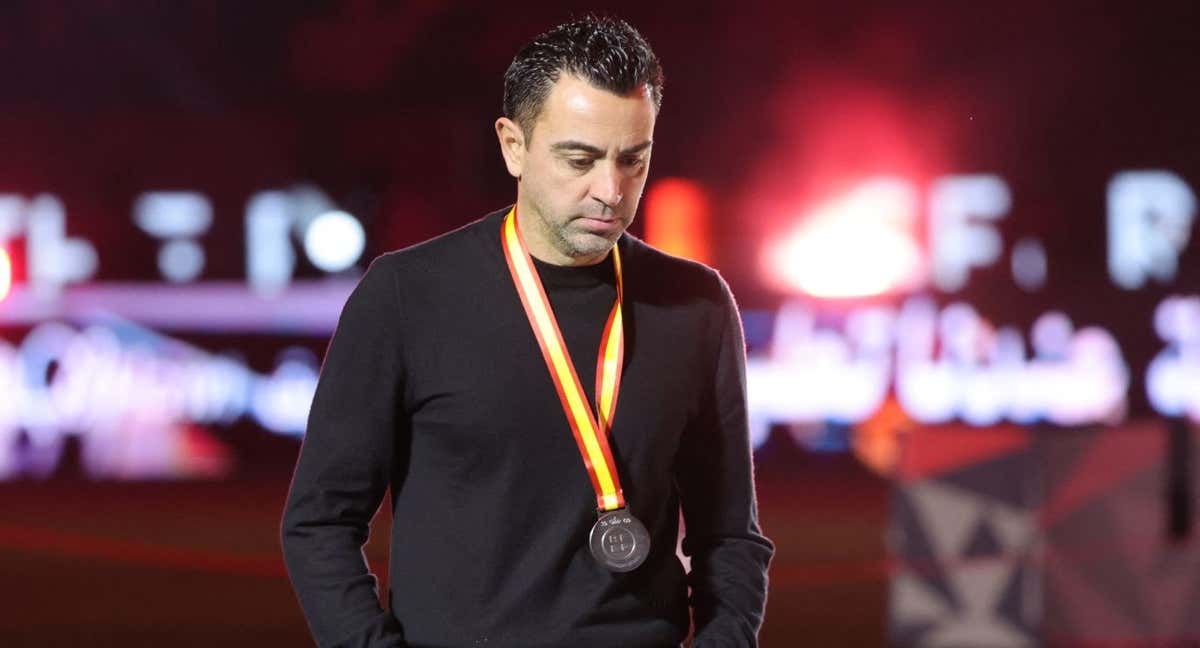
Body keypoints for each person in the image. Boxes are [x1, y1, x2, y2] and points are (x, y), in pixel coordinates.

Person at [281, 15, 773, 648]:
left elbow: (730, 533)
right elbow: (320, 522)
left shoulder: (697, 305)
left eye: (634, 159)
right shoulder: (406, 295)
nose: (611, 190)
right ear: (513, 145)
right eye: (580, 159)